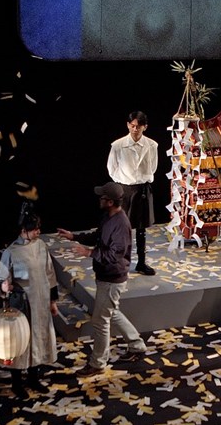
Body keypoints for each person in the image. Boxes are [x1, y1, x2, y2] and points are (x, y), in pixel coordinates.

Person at [56, 181, 148, 377]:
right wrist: (73, 236)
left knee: (100, 320)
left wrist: (89, 253)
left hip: (113, 278)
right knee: (111, 312)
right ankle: (137, 345)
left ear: (111, 202)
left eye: (103, 198)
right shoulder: (107, 217)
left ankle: (98, 362)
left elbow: (115, 255)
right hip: (105, 275)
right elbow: (98, 236)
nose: (99, 199)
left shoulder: (121, 224)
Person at [0, 205, 59, 398]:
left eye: (39, 228)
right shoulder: (11, 252)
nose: (38, 232)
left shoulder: (40, 246)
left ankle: (33, 378)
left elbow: (50, 272)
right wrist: (4, 286)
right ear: (23, 231)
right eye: (35, 229)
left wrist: (52, 301)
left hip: (40, 300)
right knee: (21, 341)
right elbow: (1, 278)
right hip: (22, 303)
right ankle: (16, 382)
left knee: (38, 338)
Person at [107, 110, 159, 276]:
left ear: (145, 127)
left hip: (143, 188)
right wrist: (122, 181)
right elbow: (112, 168)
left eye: (138, 126)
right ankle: (121, 262)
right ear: (128, 125)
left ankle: (142, 263)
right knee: (123, 228)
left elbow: (153, 166)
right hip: (125, 189)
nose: (135, 129)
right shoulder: (118, 145)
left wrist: (143, 178)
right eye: (132, 125)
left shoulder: (152, 145)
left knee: (142, 228)